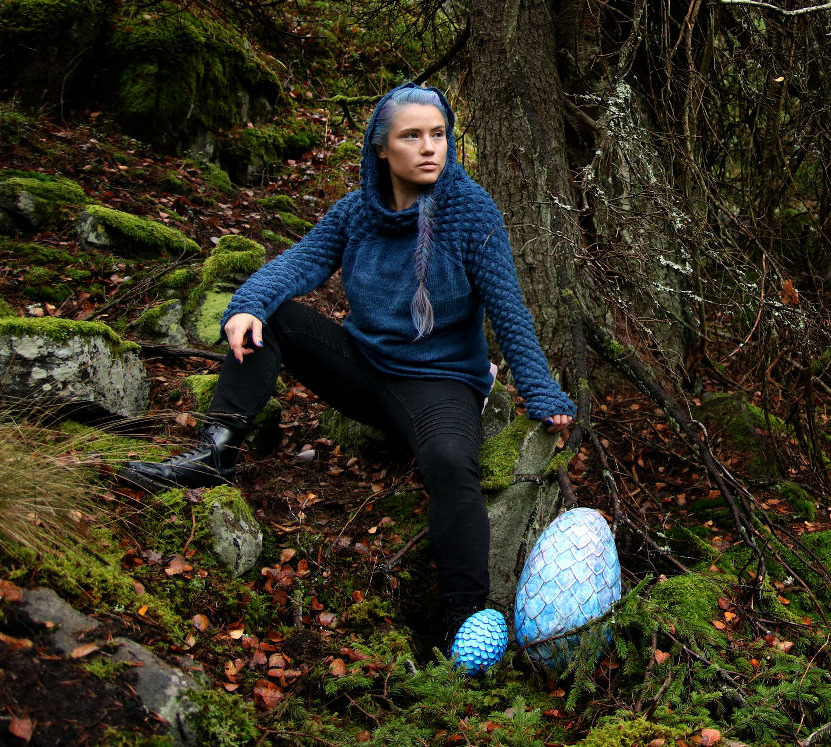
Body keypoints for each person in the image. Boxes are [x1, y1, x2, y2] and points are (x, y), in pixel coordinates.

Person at [120, 83, 575, 663]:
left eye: (438, 134)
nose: (429, 148)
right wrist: (246, 305)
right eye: (412, 136)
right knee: (271, 317)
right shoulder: (357, 212)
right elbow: (300, 261)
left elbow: (508, 308)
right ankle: (217, 451)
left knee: (448, 464)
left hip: (439, 384)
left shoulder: (470, 212)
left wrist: (540, 390)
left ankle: (464, 617)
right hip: (362, 367)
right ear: (381, 147)